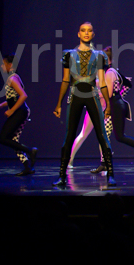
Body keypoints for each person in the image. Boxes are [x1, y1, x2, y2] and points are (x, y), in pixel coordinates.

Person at [54, 22, 113, 187]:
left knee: (102, 134)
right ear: (78, 34)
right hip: (75, 95)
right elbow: (66, 80)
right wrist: (58, 103)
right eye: (83, 30)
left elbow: (102, 82)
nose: (86, 33)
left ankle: (111, 175)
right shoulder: (69, 54)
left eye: (89, 31)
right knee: (69, 135)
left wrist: (108, 104)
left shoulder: (99, 55)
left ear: (93, 34)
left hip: (92, 95)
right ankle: (62, 176)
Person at [0, 53, 37, 177]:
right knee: (14, 141)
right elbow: (13, 98)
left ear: (10, 65)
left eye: (3, 64)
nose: (2, 66)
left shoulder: (12, 78)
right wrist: (1, 105)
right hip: (21, 111)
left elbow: (23, 96)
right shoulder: (13, 78)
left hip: (20, 112)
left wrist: (11, 111)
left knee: (3, 138)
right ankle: (28, 167)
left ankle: (30, 151)